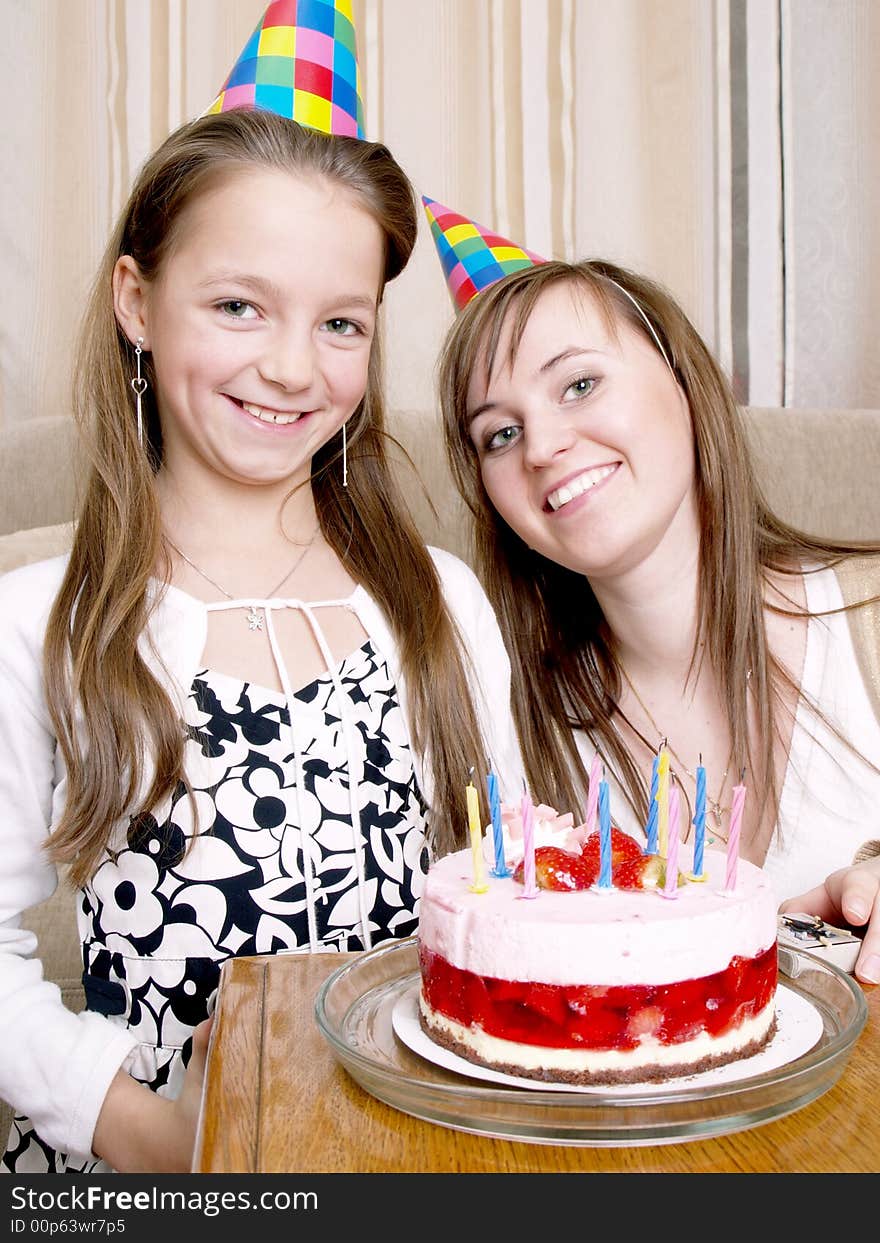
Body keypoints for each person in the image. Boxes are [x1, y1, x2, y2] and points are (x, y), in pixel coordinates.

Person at [0, 9, 520, 1174]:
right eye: (239, 305)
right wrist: (161, 1137)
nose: (292, 366)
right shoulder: (43, 623)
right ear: (137, 301)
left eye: (339, 323)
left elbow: (509, 893)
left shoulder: (438, 606)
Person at [424, 198, 880, 984]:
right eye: (500, 432)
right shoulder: (500, 721)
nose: (543, 446)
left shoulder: (867, 621)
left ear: (685, 377)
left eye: (578, 384)